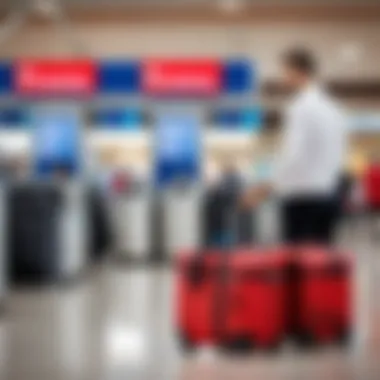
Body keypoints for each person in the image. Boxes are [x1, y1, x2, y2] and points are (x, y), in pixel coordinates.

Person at [243, 48, 347, 245]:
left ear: (297, 71)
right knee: (320, 263)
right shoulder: (334, 109)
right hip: (328, 195)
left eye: (285, 71)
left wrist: (264, 188)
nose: (283, 78)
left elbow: (293, 155)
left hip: (302, 200)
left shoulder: (300, 107)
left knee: (299, 265)